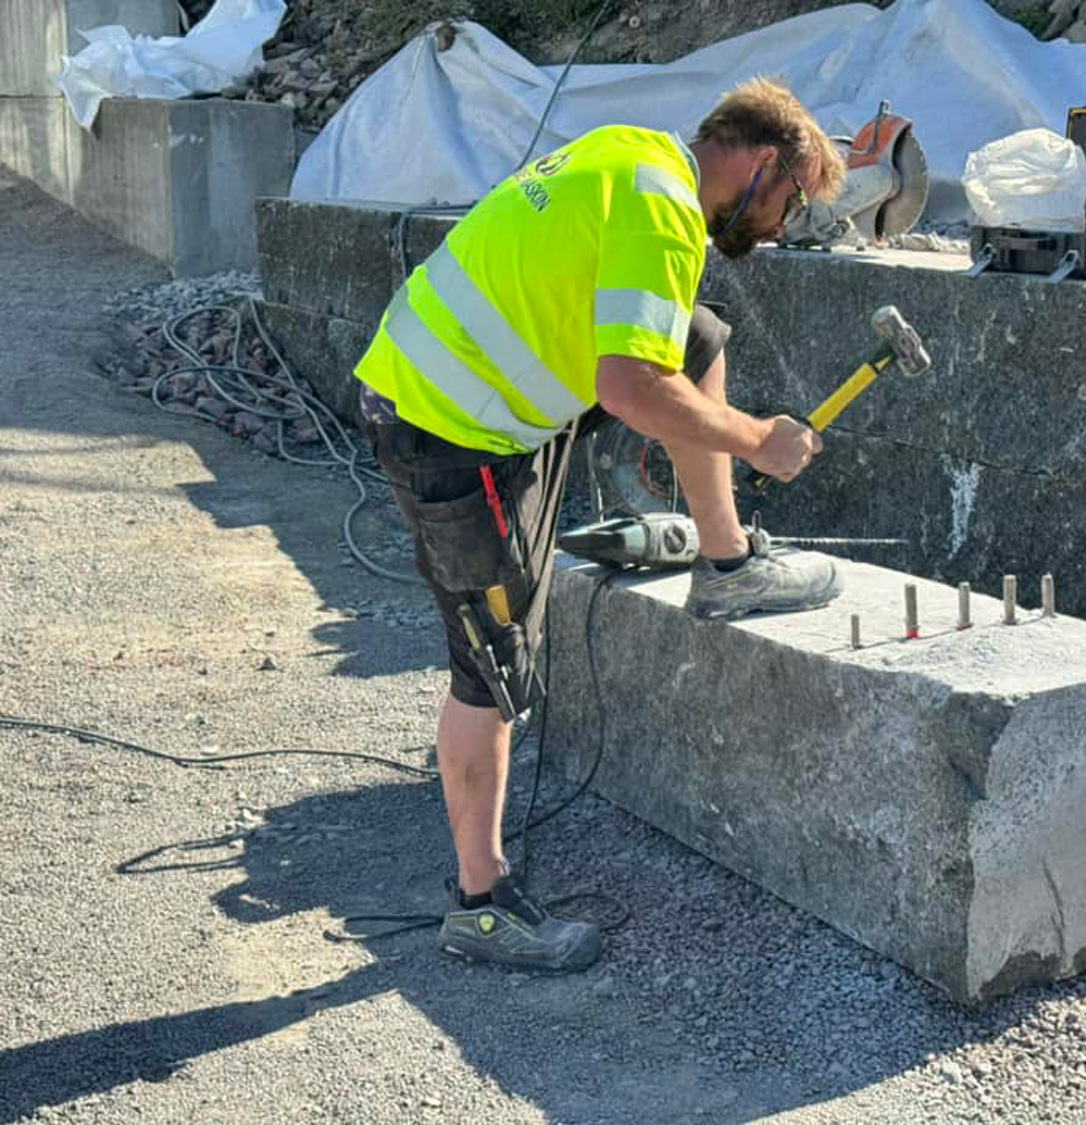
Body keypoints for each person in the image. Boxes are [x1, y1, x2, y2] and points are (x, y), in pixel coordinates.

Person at [355, 78, 847, 972]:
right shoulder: (665, 213)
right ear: (764, 163)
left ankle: (726, 561)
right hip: (445, 427)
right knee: (494, 664)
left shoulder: (632, 152)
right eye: (794, 203)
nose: (784, 227)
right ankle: (479, 903)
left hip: (463, 384)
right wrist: (758, 441)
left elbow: (638, 348)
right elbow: (628, 389)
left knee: (695, 336)